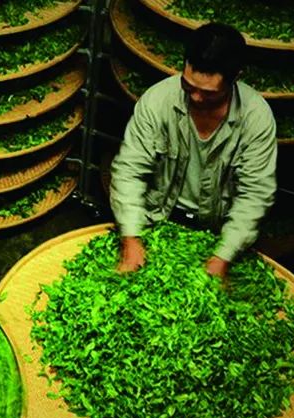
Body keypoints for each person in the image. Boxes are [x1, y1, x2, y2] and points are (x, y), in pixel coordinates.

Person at [110, 22, 277, 278]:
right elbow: (129, 171)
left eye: (209, 94)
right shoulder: (157, 102)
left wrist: (223, 255)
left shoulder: (256, 118)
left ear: (236, 78)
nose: (196, 98)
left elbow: (255, 194)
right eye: (189, 87)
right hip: (159, 216)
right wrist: (132, 239)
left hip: (217, 229)